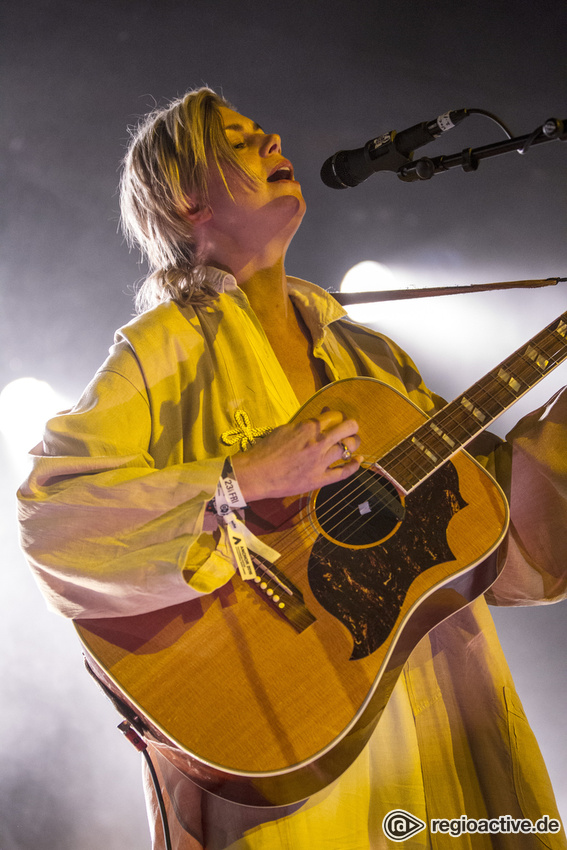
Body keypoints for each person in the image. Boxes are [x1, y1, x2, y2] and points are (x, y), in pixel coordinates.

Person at [17, 87, 567, 850]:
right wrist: (236, 480)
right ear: (187, 200)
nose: (273, 136)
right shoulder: (161, 351)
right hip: (283, 733)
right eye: (239, 140)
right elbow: (54, 518)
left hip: (433, 704)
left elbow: (497, 529)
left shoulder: (366, 357)